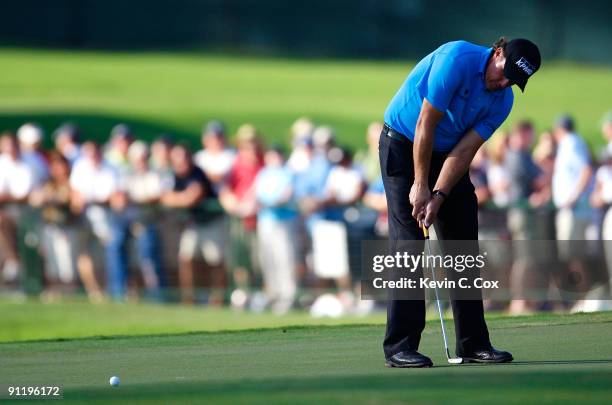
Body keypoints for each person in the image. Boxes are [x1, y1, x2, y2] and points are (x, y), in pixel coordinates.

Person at [381, 37, 540, 367]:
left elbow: (465, 150)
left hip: (447, 155)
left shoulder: (502, 101)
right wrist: (421, 185)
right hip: (404, 142)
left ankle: (473, 343)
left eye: (514, 80)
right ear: (497, 52)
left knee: (462, 243)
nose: (505, 82)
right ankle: (399, 346)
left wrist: (438, 194)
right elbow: (426, 122)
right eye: (504, 72)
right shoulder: (457, 59)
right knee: (409, 242)